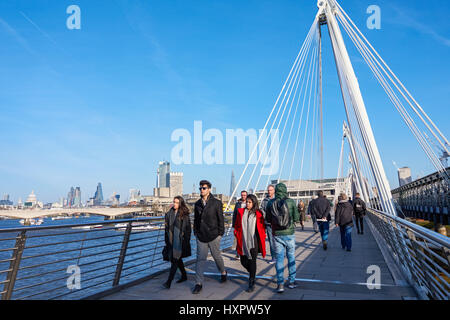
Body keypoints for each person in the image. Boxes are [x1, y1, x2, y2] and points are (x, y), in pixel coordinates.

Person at [192, 180, 227, 294]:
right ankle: (198, 283)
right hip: (201, 236)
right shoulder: (197, 203)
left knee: (216, 256)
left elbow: (220, 219)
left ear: (209, 189)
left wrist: (220, 234)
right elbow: (196, 220)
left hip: (213, 235)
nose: (202, 190)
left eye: (204, 188)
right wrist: (195, 232)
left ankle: (223, 272)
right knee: (200, 259)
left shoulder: (216, 203)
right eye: (200, 188)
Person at [266, 183, 300, 293]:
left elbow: (268, 219)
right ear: (285, 190)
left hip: (277, 234)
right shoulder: (290, 202)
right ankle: (291, 282)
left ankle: (280, 284)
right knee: (291, 257)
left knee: (279, 259)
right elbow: (296, 218)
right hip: (289, 233)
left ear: (276, 191)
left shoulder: (271, 202)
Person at [234, 194, 266, 292]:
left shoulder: (258, 213)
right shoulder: (241, 212)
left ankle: (251, 281)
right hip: (243, 240)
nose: (247, 203)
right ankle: (252, 272)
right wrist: (235, 232)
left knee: (252, 261)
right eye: (246, 202)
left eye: (249, 202)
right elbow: (237, 225)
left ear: (254, 203)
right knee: (243, 261)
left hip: (254, 241)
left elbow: (262, 227)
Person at [163, 196, 192, 289]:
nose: (174, 204)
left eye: (176, 202)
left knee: (175, 260)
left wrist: (186, 241)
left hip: (180, 241)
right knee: (177, 259)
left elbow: (188, 230)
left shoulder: (184, 215)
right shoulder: (169, 213)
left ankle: (168, 282)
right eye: (174, 202)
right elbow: (166, 229)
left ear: (180, 204)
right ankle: (184, 276)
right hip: (171, 240)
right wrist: (167, 241)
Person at [260, 185, 276, 264]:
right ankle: (273, 257)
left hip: (277, 223)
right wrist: (265, 215)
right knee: (271, 240)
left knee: (278, 240)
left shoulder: (277, 199)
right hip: (269, 223)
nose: (269, 192)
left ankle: (279, 254)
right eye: (268, 190)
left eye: (271, 190)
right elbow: (262, 209)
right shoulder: (265, 200)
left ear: (274, 191)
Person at [232, 191, 248, 258]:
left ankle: (246, 252)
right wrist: (233, 224)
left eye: (244, 195)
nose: (243, 196)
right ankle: (238, 253)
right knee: (238, 238)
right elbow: (234, 214)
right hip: (239, 224)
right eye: (242, 195)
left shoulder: (249, 203)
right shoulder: (238, 204)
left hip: (247, 224)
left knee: (246, 239)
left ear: (247, 196)